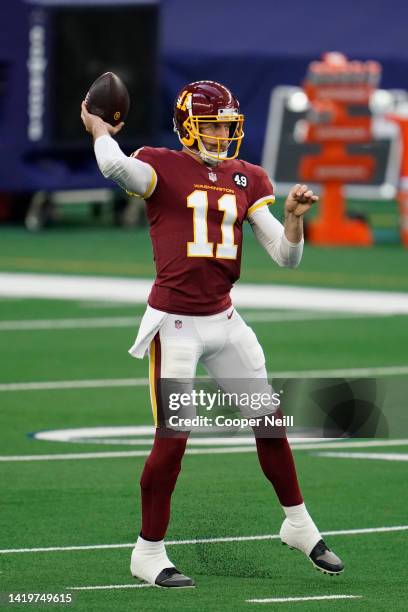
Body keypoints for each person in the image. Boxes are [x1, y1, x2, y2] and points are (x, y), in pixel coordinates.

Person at [81, 80, 344, 588]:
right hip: (175, 325)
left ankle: (299, 525)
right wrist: (97, 125)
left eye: (228, 125)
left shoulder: (247, 177)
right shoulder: (161, 164)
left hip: (225, 321)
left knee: (270, 422)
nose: (222, 134)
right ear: (187, 125)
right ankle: (148, 552)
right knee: (174, 438)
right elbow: (114, 167)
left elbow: (287, 257)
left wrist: (292, 221)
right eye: (213, 124)